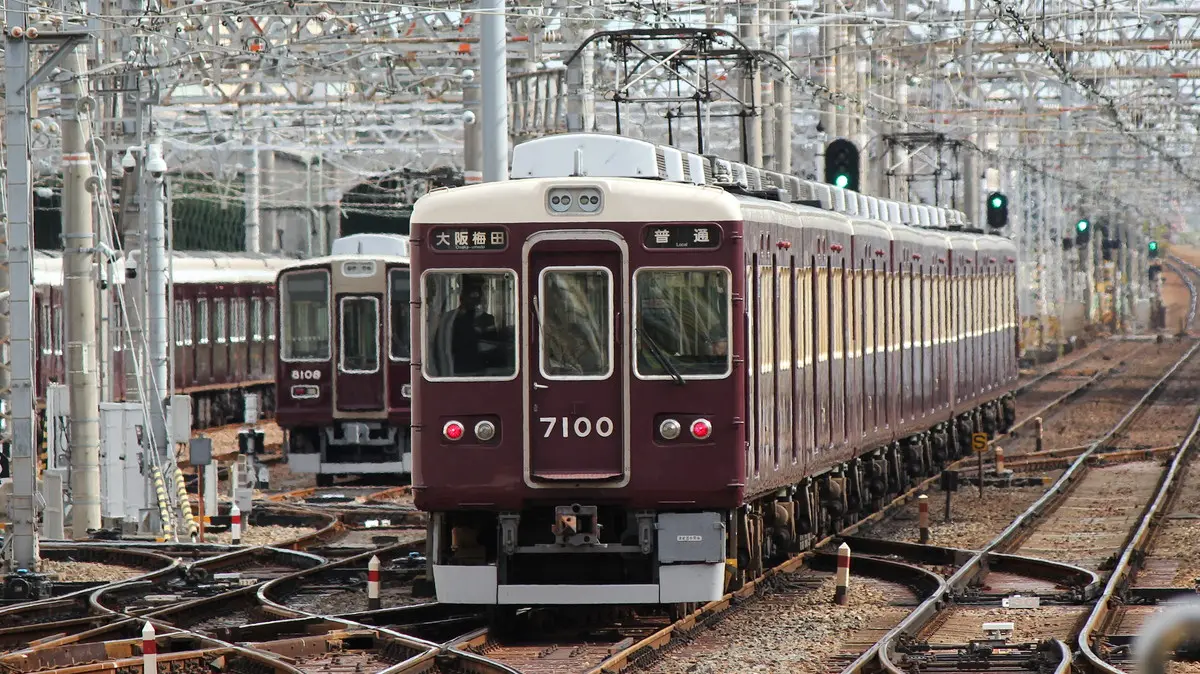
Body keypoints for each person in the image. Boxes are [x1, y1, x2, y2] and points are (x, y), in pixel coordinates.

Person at [431, 276, 500, 376]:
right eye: (472, 293)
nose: (475, 297)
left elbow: (492, 345)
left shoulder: (485, 319)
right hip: (458, 371)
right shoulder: (448, 319)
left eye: (477, 293)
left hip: (475, 372)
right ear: (461, 295)